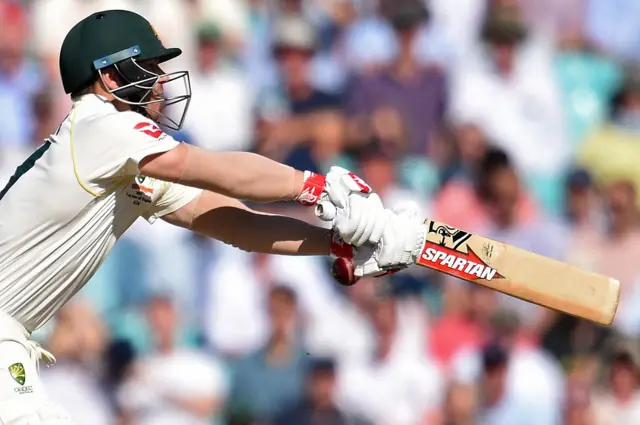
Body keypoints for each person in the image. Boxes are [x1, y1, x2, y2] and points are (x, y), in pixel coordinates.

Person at [0, 9, 422, 424]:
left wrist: (336, 243)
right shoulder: (100, 125)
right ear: (110, 78)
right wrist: (317, 186)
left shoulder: (124, 161)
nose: (161, 82)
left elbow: (236, 223)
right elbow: (217, 170)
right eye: (147, 67)